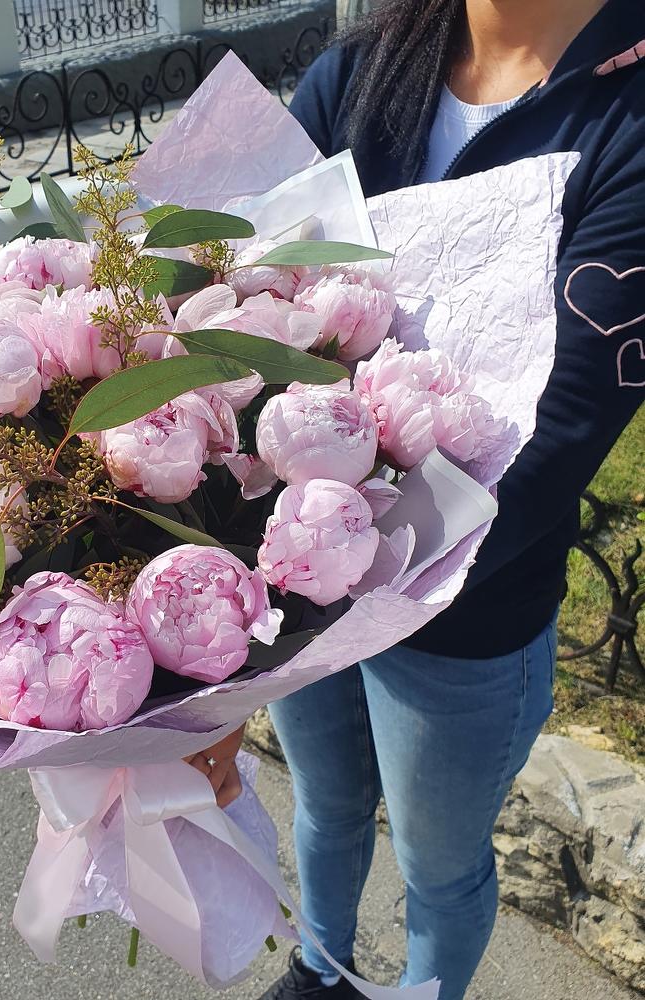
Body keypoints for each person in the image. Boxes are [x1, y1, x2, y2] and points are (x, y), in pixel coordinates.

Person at [185, 1, 645, 997]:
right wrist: (220, 664)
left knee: (439, 868)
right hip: (297, 573)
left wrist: (321, 587)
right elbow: (231, 302)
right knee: (325, 803)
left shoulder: (628, 117)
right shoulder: (362, 72)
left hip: (467, 610)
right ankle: (321, 969)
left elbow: (560, 431)